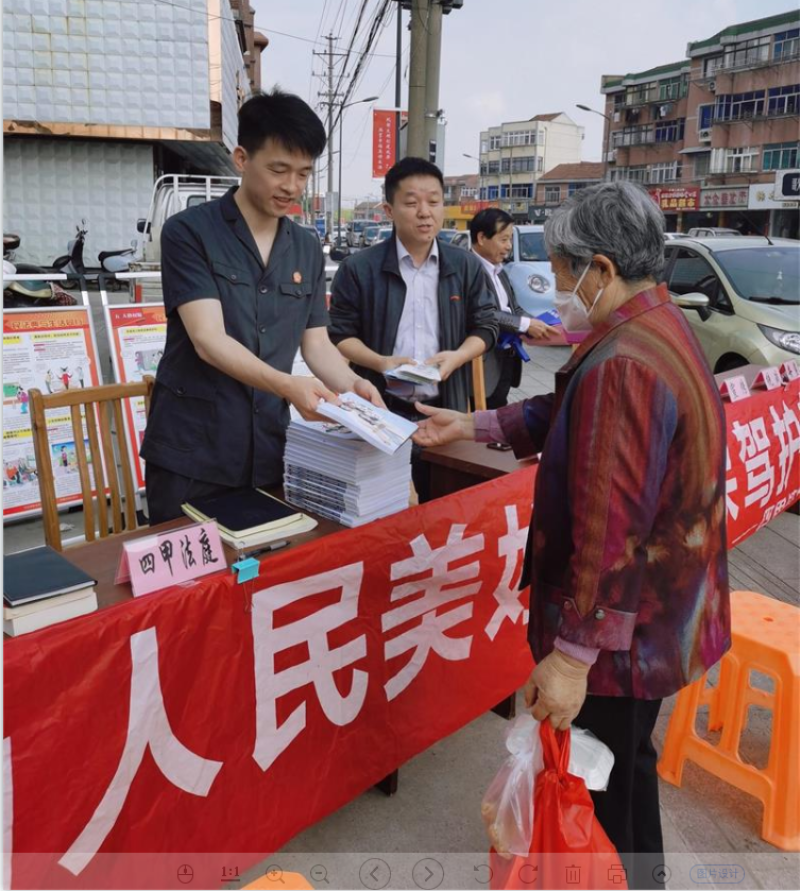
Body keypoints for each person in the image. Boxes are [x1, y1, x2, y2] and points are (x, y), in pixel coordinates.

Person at [413, 182, 730, 889]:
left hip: (623, 631)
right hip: (659, 616)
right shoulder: (655, 324)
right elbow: (569, 410)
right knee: (627, 768)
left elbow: (611, 526)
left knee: (601, 786)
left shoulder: (624, 362)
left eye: (562, 275)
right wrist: (474, 423)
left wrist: (572, 656)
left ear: (602, 269)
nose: (558, 293)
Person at [140, 89, 383, 524]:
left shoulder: (306, 248)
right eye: (278, 169)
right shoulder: (189, 233)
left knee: (269, 561)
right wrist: (288, 386)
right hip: (193, 453)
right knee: (192, 567)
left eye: (303, 174)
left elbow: (316, 344)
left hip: (268, 448)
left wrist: (352, 385)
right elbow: (208, 340)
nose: (292, 186)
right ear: (241, 159)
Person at [328, 157, 498, 501]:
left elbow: (487, 325)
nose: (424, 213)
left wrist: (457, 357)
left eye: (433, 201)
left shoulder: (464, 265)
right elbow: (341, 334)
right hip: (380, 409)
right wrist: (381, 362)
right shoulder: (359, 268)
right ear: (389, 210)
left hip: (444, 408)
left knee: (443, 504)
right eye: (411, 203)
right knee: (382, 506)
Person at [470, 208, 558, 408]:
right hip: (481, 362)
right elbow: (482, 313)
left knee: (499, 409)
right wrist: (525, 324)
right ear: (482, 238)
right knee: (479, 416)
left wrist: (538, 323)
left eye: (510, 239)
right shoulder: (467, 269)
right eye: (503, 239)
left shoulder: (500, 271)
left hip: (507, 359)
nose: (509, 246)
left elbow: (514, 307)